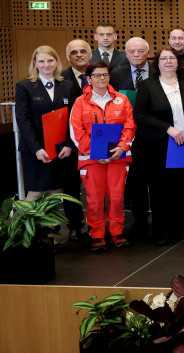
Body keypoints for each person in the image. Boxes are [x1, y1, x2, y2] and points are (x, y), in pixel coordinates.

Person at [14, 45, 84, 243]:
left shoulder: (69, 86)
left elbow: (75, 119)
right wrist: (37, 148)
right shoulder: (24, 86)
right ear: (35, 63)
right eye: (42, 61)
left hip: (62, 149)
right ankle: (20, 233)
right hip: (36, 150)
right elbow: (23, 120)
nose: (46, 65)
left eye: (50, 61)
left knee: (56, 191)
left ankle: (50, 235)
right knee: (36, 191)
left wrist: (70, 144)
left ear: (57, 62)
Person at [69, 61, 136, 252]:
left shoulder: (121, 99)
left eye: (105, 75)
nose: (102, 78)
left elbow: (130, 126)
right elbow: (76, 131)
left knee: (116, 197)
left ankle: (116, 232)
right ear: (88, 79)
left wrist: (122, 147)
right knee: (95, 198)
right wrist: (95, 153)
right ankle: (97, 235)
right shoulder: (80, 103)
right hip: (91, 159)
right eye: (97, 75)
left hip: (118, 157)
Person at [133, 46, 184, 245]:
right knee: (161, 190)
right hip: (159, 145)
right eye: (164, 58)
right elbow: (140, 116)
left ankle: (182, 227)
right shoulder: (147, 86)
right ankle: (162, 230)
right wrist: (168, 129)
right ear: (157, 63)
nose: (168, 61)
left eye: (172, 58)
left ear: (178, 62)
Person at [108, 36, 152, 238]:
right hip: (127, 135)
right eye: (132, 51)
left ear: (148, 53)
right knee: (136, 181)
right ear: (125, 53)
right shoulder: (115, 75)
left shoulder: (158, 71)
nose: (136, 54)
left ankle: (161, 218)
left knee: (159, 179)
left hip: (154, 133)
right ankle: (140, 220)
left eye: (140, 51)